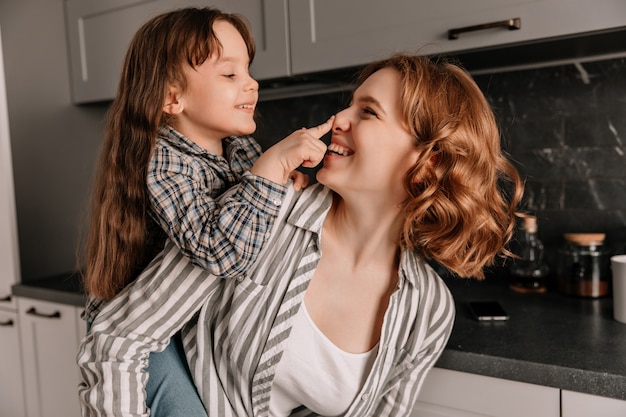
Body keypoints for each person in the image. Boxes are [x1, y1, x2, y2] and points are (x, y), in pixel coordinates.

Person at [78, 54, 524, 417]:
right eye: (349, 104)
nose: (338, 119)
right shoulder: (258, 216)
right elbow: (120, 340)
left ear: (428, 162)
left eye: (367, 112)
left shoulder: (426, 309)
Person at [78, 6, 330, 416]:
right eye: (229, 75)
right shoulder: (162, 161)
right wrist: (268, 175)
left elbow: (252, 216)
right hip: (150, 332)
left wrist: (281, 186)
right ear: (172, 97)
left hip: (200, 322)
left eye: (248, 70)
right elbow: (217, 250)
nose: (251, 84)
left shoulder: (239, 150)